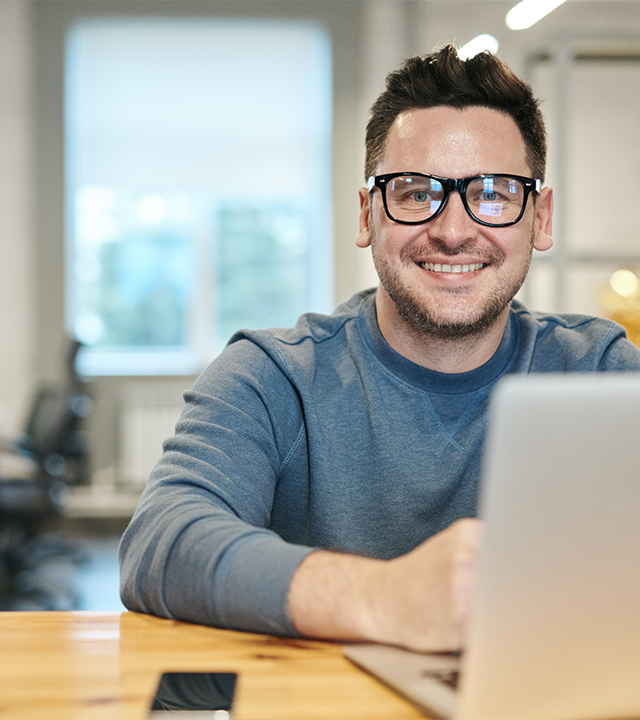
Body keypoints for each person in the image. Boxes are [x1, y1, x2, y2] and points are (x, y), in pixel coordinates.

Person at [119, 44, 640, 653]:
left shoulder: (602, 375)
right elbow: (162, 543)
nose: (452, 230)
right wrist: (383, 596)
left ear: (540, 218)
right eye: (417, 193)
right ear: (368, 213)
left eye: (494, 192)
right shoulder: (274, 378)